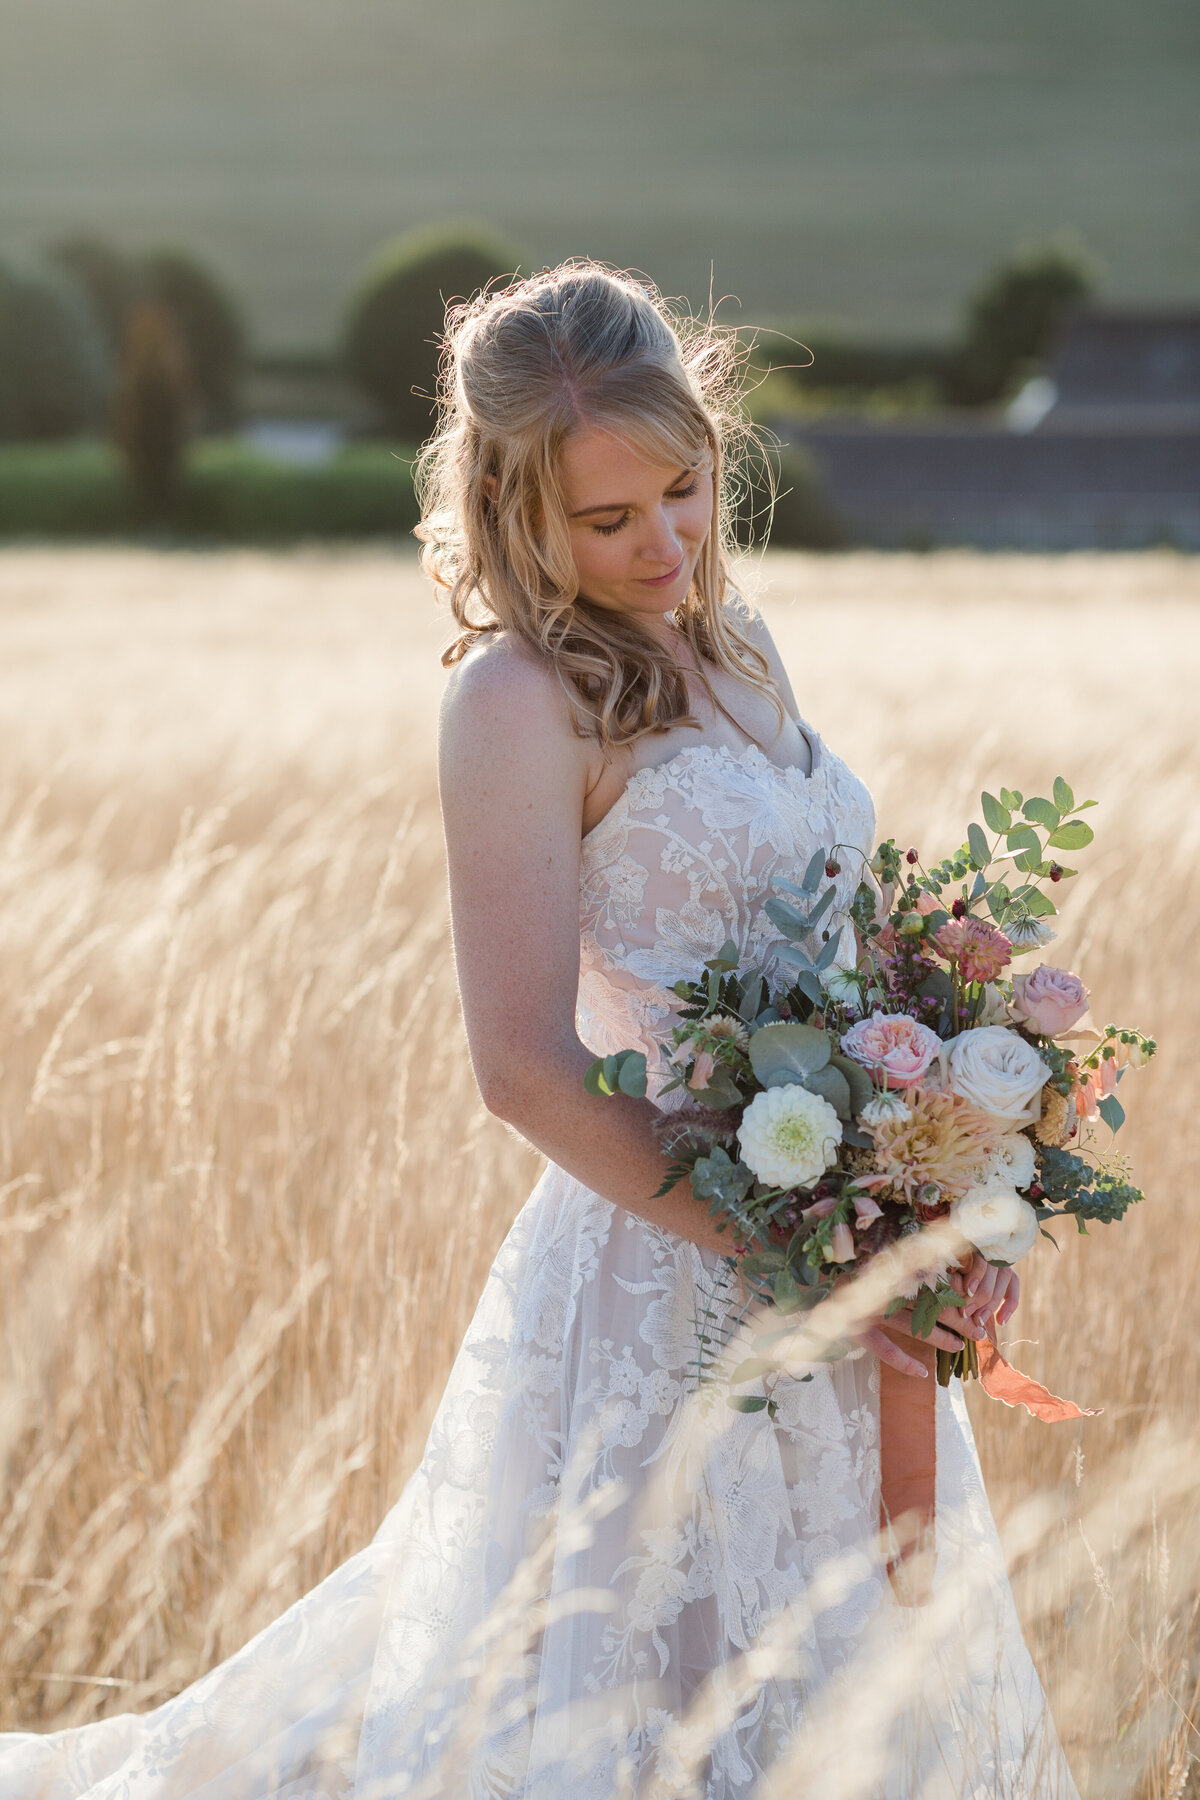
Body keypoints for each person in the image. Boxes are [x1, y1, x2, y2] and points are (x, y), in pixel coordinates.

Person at [0, 262, 1077, 1799]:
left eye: (686, 492)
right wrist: (806, 1253)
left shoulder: (744, 644)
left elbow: (839, 953)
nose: (666, 545)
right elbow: (517, 1066)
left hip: (839, 1282)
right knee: (624, 1720)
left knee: (855, 1711)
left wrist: (938, 1184)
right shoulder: (515, 704)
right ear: (516, 512)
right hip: (664, 1287)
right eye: (608, 520)